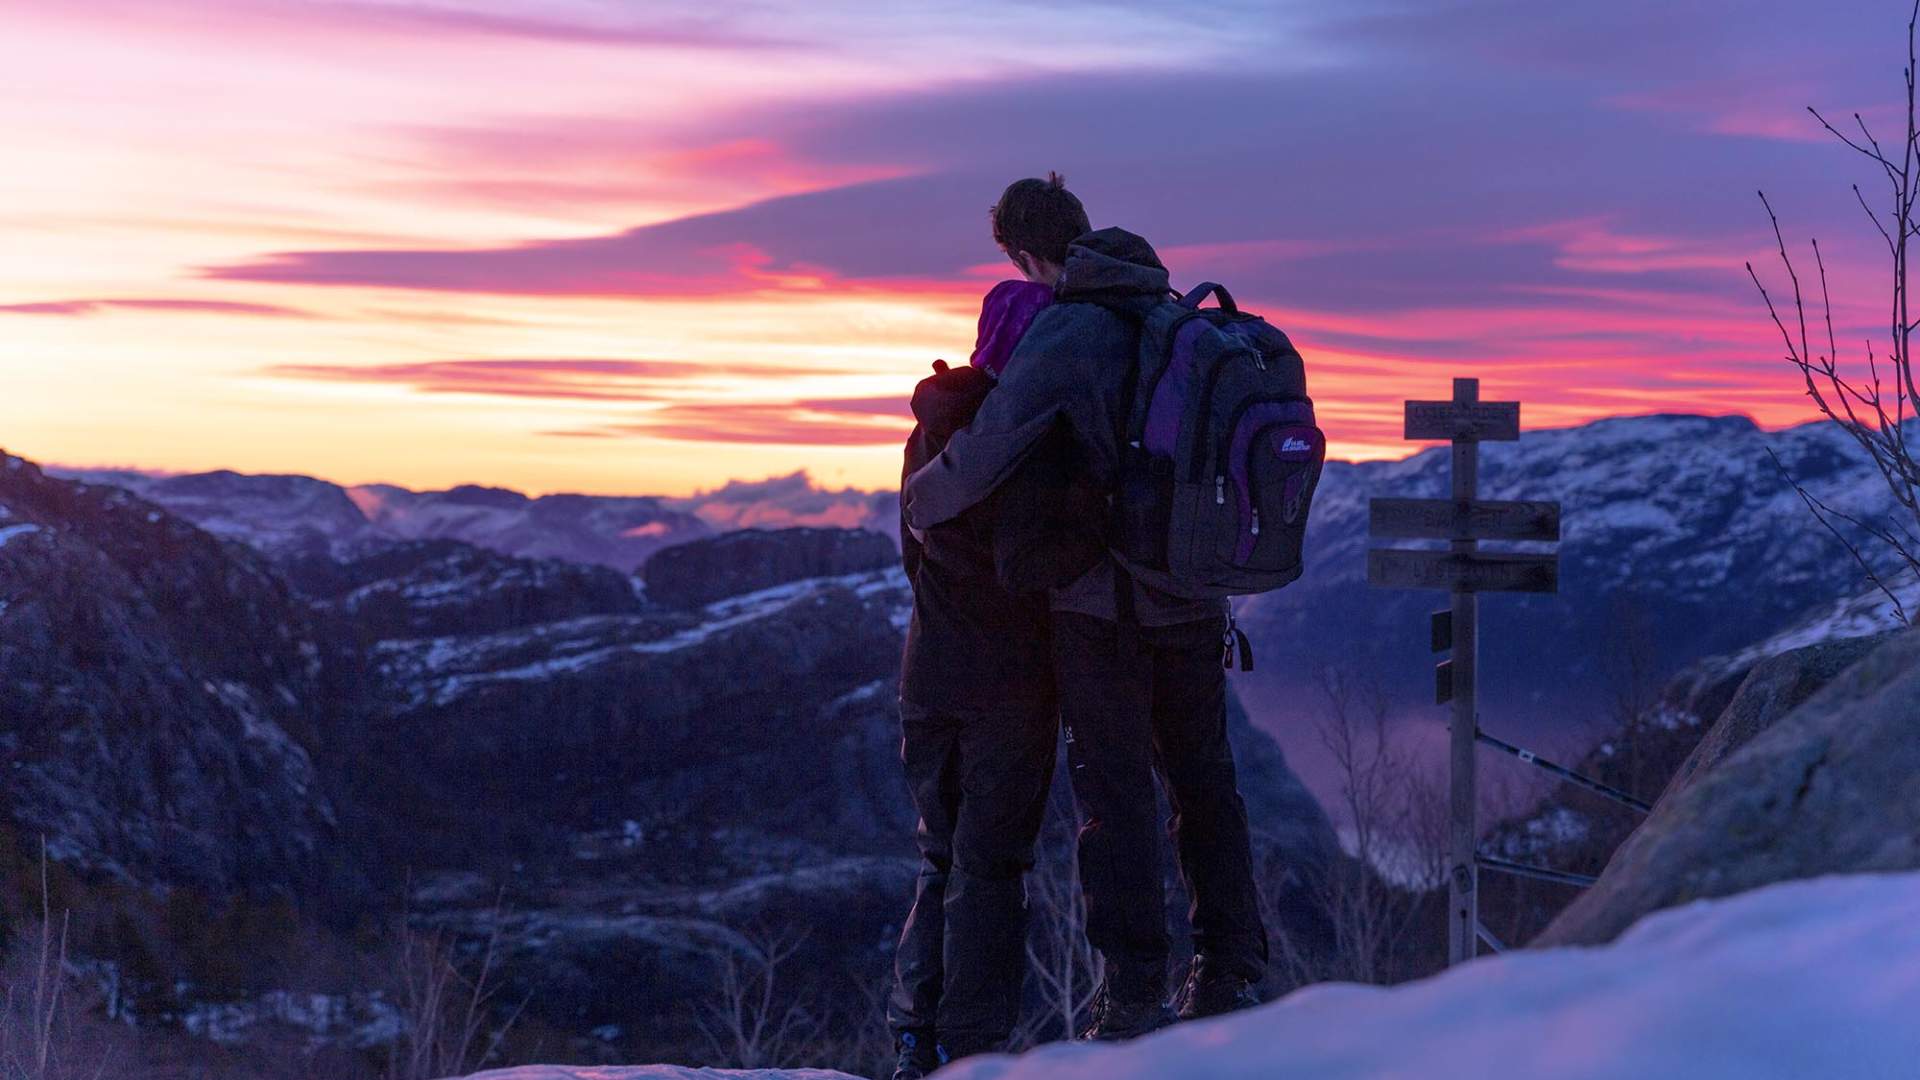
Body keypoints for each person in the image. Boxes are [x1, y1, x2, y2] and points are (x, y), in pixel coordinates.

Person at [903, 175, 1269, 1042]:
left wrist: (920, 500)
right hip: (1193, 595)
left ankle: (1133, 992)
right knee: (1205, 781)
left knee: (1116, 795)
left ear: (1026, 255)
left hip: (1105, 608)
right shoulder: (1174, 313)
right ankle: (1231, 969)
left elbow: (992, 447)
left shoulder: (1068, 327)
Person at [887, 258, 1102, 1076]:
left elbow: (915, 551)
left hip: (930, 675)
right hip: (1009, 687)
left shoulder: (930, 428)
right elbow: (1041, 565)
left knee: (938, 857)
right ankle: (969, 1049)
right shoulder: (1036, 440)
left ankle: (915, 1030)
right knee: (993, 865)